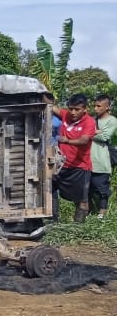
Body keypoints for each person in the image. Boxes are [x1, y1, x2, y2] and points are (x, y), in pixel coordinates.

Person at [52, 94, 96, 223]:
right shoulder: (65, 115)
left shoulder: (89, 122)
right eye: (71, 109)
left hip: (79, 167)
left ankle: (78, 227)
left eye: (77, 109)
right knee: (49, 191)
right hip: (60, 165)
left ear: (85, 109)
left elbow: (84, 140)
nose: (73, 112)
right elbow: (52, 106)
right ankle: (52, 221)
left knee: (81, 200)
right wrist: (41, 92)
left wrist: (67, 140)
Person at [88, 94, 115, 218]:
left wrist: (89, 132)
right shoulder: (92, 120)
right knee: (87, 189)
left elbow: (105, 136)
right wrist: (96, 132)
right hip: (88, 161)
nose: (95, 109)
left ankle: (102, 215)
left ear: (107, 107)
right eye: (95, 106)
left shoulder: (112, 121)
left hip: (102, 161)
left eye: (99, 106)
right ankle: (89, 211)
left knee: (102, 189)